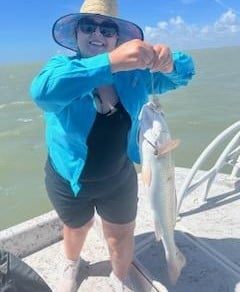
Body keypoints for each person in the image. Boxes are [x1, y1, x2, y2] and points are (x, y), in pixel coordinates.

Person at [30, 0, 195, 291]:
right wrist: (110, 63)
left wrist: (170, 59)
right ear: (76, 34)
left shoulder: (134, 75)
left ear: (117, 38)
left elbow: (184, 74)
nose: (98, 33)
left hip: (119, 177)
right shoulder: (63, 67)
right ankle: (72, 264)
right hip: (68, 178)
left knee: (121, 234)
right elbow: (43, 92)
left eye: (107, 28)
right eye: (88, 26)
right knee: (76, 228)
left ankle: (119, 276)